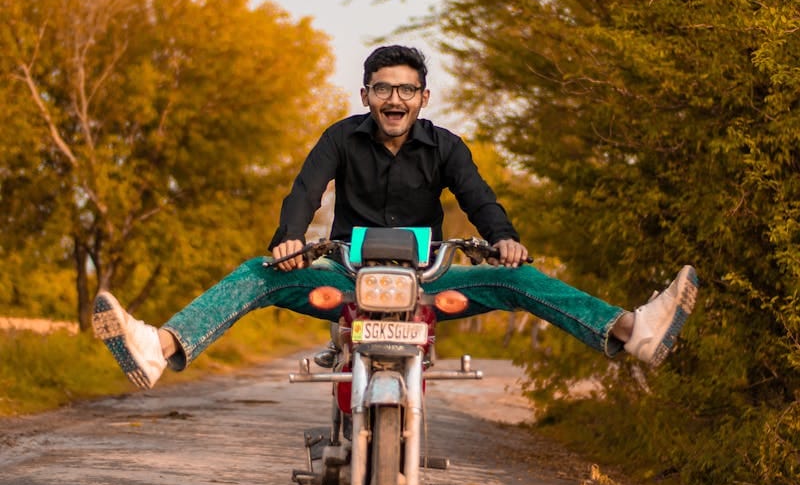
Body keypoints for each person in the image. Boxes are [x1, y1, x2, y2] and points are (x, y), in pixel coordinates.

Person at [93, 45, 698, 390]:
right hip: (342, 283)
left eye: (407, 90)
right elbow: (304, 192)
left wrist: (504, 239)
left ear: (423, 99)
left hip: (430, 286)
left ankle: (632, 332)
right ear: (365, 96)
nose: (394, 100)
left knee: (522, 281)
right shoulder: (340, 138)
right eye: (382, 88)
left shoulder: (447, 147)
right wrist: (287, 240)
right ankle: (158, 346)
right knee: (255, 272)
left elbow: (479, 197)